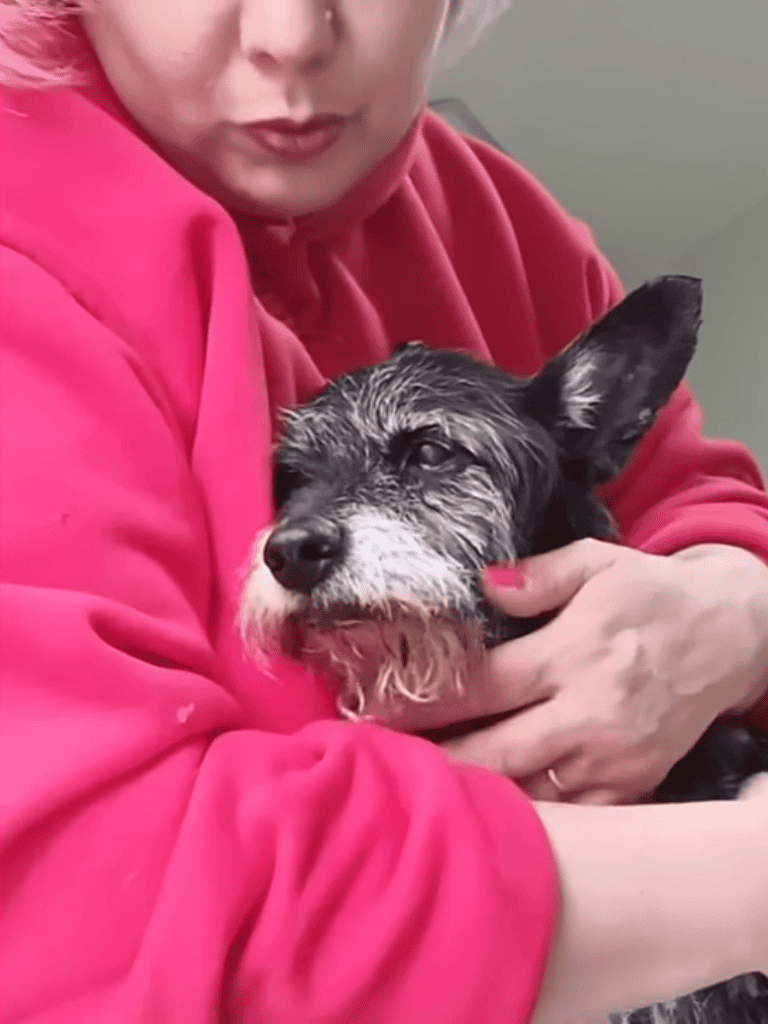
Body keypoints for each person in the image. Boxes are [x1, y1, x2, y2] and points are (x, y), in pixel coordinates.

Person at [1, 2, 767, 1022]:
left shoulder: (498, 215)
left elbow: (690, 489)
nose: (290, 34)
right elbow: (96, 912)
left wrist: (730, 607)